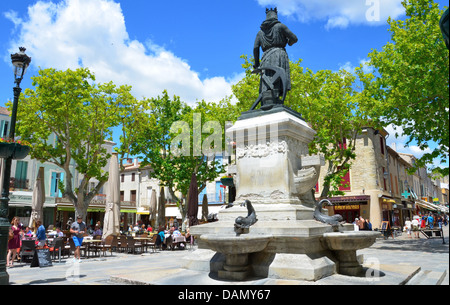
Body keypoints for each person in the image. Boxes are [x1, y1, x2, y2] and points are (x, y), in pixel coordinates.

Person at [253, 7, 298, 108]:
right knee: (278, 78)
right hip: (279, 54)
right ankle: (275, 100)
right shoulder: (281, 27)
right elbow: (294, 38)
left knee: (267, 78)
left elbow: (256, 48)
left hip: (266, 58)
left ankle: (267, 101)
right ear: (275, 16)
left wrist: (256, 64)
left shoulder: (260, 33)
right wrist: (288, 43)